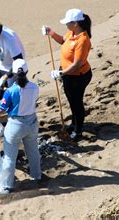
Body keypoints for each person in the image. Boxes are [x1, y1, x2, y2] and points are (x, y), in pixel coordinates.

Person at [0, 59, 41, 194]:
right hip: (32, 122)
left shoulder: (11, 91)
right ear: (27, 72)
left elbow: (0, 110)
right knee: (33, 151)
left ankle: (7, 186)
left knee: (9, 156)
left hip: (16, 125)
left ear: (12, 73)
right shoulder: (35, 87)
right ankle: (37, 176)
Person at [43, 8, 93, 142]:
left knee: (76, 103)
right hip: (68, 75)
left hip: (78, 76)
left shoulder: (82, 40)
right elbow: (62, 41)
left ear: (75, 23)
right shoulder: (72, 32)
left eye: (68, 22)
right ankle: (74, 124)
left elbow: (77, 64)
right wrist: (51, 33)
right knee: (72, 101)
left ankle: (78, 131)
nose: (66, 24)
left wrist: (60, 73)